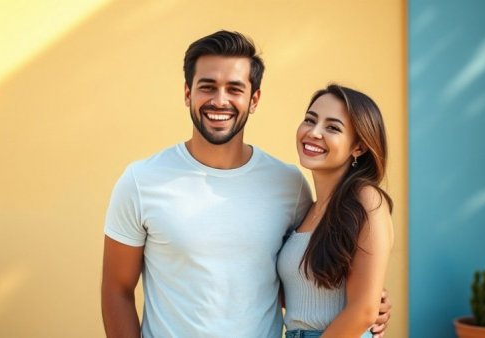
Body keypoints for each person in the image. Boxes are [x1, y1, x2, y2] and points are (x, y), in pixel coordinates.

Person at [101, 31, 390, 337]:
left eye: (234, 89)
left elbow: (310, 272)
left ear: (254, 100)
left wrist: (368, 304)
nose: (219, 100)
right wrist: (364, 306)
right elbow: (116, 291)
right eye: (207, 86)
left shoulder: (289, 185)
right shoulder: (141, 180)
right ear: (188, 93)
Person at [278, 84, 394, 338]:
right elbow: (304, 293)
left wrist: (373, 302)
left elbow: (364, 311)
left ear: (359, 147)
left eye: (332, 127)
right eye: (310, 120)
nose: (314, 132)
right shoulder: (307, 208)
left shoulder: (366, 199)